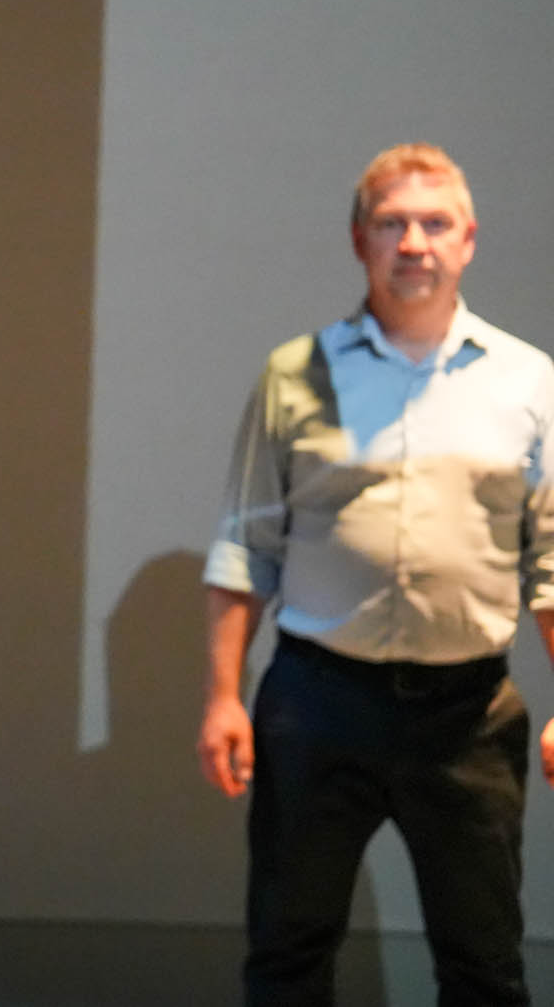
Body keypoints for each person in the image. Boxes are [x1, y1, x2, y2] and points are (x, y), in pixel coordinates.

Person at [197, 142, 554, 1006]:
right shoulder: (295, 374)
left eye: (435, 223)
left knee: (484, 965)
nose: (414, 243)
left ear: (469, 239)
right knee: (287, 955)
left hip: (468, 713)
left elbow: (552, 559)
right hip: (319, 703)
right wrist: (222, 697)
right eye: (392, 223)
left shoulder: (529, 381)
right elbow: (246, 544)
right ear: (360, 239)